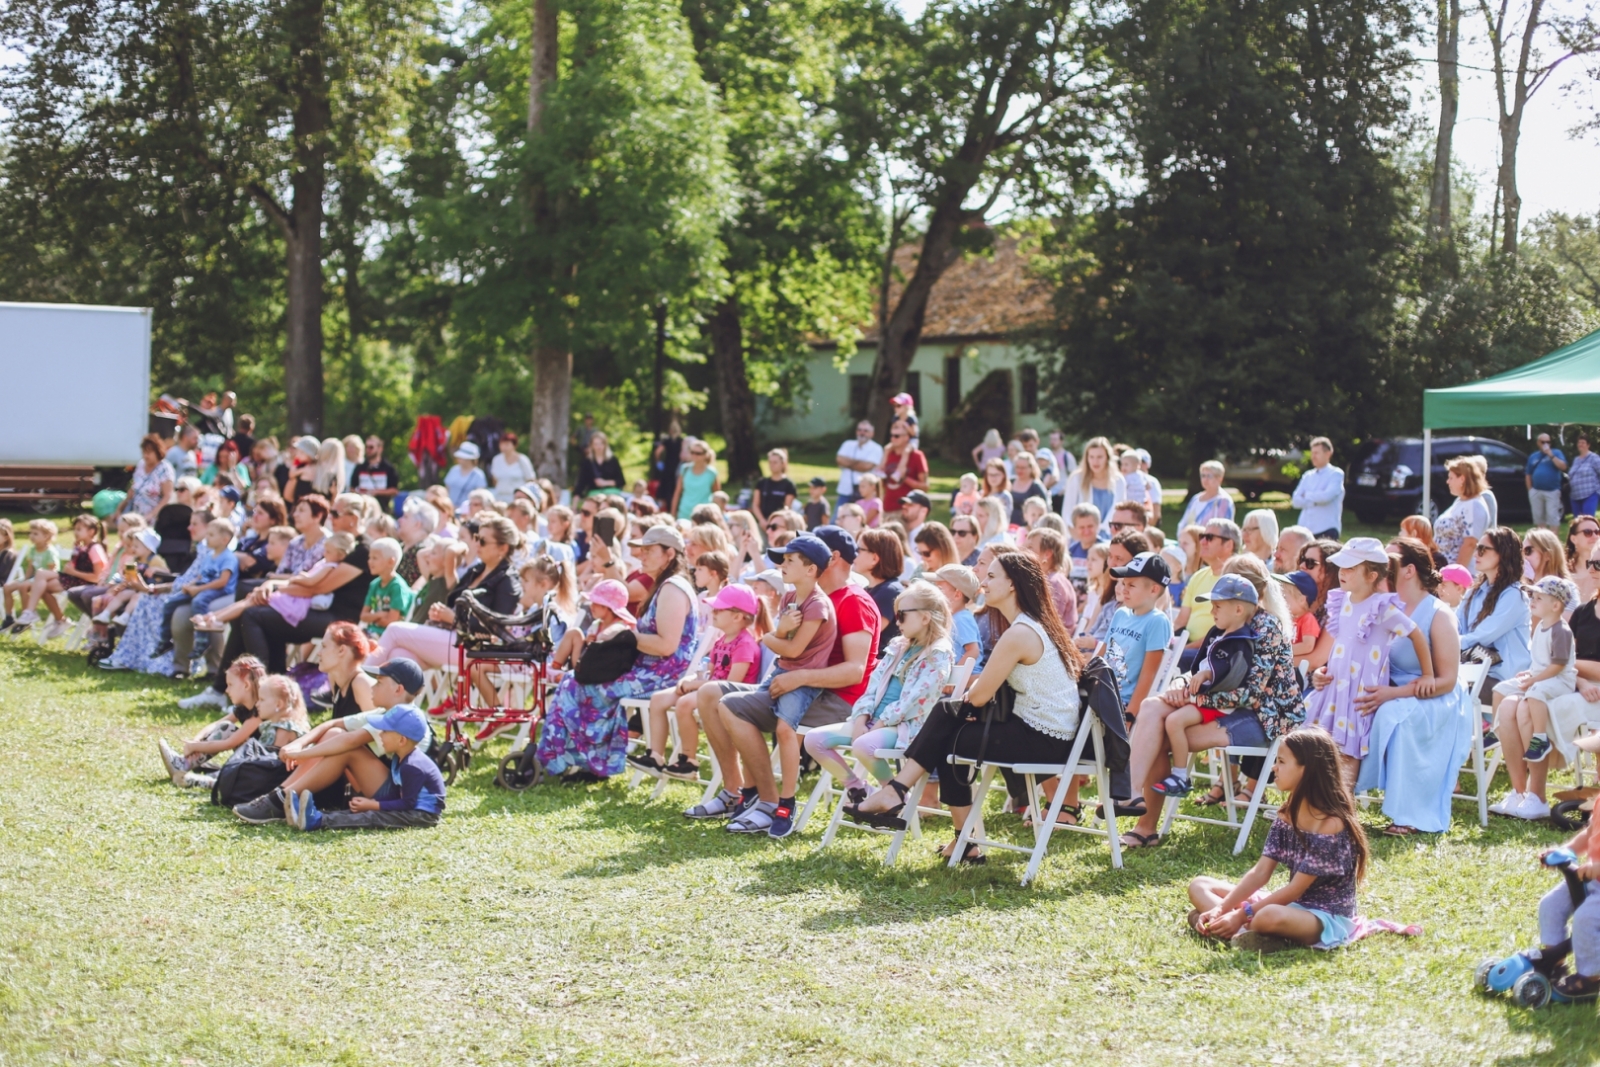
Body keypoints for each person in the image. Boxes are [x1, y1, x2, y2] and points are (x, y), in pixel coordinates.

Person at [844, 551, 1081, 863]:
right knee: (948, 721)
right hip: (1047, 735)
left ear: (1013, 585)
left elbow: (980, 696)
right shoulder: (1031, 625)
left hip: (1043, 740)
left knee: (947, 728)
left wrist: (965, 700)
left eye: (992, 576)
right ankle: (921, 810)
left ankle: (904, 797)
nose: (983, 582)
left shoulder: (1020, 632)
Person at [688, 526, 878, 829]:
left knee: (735, 707)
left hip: (837, 701)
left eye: (796, 556)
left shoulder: (854, 601)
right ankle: (736, 791)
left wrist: (799, 676)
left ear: (828, 560)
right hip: (797, 683)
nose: (785, 563)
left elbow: (855, 671)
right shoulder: (802, 597)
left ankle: (770, 803)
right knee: (711, 693)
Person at [1123, 561, 1301, 844]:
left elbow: (1250, 694)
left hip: (1262, 716)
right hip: (1219, 705)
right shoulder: (1223, 624)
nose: (1215, 594)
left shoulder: (1266, 626)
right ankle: (1131, 794)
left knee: (1164, 733)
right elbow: (1202, 668)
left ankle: (1146, 826)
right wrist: (1179, 686)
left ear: (1243, 597)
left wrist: (1194, 696)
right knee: (1152, 708)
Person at [1188, 728, 1380, 951]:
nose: (1274, 768)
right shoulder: (1287, 814)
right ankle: (1237, 931)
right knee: (1200, 885)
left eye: (1281, 761)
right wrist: (1221, 909)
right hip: (1291, 906)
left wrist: (1241, 914)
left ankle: (1237, 929)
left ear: (1306, 769)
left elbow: (1295, 889)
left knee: (1267, 916)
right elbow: (1260, 873)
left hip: (1323, 916)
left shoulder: (1331, 825)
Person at [538, 524, 699, 782]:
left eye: (648, 550)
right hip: (649, 670)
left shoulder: (673, 588)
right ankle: (585, 760)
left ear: (670, 554)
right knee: (573, 680)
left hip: (662, 675)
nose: (640, 555)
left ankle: (584, 761)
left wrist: (625, 636)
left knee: (581, 685)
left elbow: (667, 646)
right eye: (640, 550)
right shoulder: (665, 585)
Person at [1353, 538, 1471, 836]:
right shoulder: (1383, 606)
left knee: (1396, 717)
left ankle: (1409, 814)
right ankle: (1337, 799)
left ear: (1408, 570)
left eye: (1389, 559)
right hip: (1387, 691)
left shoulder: (1439, 614)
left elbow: (1446, 680)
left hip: (1434, 697)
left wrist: (1393, 694)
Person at [804, 580, 955, 804]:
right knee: (813, 739)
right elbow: (872, 687)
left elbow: (915, 701)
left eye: (902, 615)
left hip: (904, 726)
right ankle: (857, 788)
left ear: (925, 618)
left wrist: (879, 724)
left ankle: (891, 793)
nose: (897, 621)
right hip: (872, 721)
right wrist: (860, 719)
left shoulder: (938, 654)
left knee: (864, 746)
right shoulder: (898, 646)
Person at [1303, 538, 1434, 788]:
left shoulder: (1381, 608)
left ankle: (1342, 810)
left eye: (1351, 568)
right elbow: (1342, 645)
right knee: (1319, 744)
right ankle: (1318, 803)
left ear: (1372, 575)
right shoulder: (1342, 601)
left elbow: (1416, 634)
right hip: (1334, 686)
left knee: (1348, 750)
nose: (1343, 572)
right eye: (1342, 567)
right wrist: (1323, 670)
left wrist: (1427, 674)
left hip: (1359, 692)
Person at [1150, 574, 1269, 798]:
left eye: (1217, 606)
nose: (1212, 611)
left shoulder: (1241, 642)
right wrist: (1188, 681)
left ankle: (1180, 776)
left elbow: (1231, 677)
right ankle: (1178, 774)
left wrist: (1203, 679)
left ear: (1238, 610)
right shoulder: (1217, 633)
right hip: (1200, 696)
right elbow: (1199, 664)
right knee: (1164, 715)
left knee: (1174, 721)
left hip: (1217, 702)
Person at [629, 583, 765, 780]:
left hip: (727, 698)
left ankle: (689, 761)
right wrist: (692, 679)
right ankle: (655, 757)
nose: (713, 612)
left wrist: (695, 685)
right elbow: (710, 672)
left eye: (719, 609)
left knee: (684, 704)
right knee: (658, 699)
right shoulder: (721, 641)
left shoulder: (744, 645)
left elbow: (730, 684)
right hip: (709, 689)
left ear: (737, 616)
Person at [1489, 575, 1580, 820]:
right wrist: (1530, 673)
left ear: (1556, 605)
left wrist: (1534, 680)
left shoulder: (1561, 630)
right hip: (1541, 676)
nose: (1533, 600)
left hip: (1557, 681)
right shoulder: (1540, 626)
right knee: (1502, 690)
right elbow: (1542, 662)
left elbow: (1559, 666)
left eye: (1540, 597)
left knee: (1534, 694)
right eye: (1533, 596)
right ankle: (1497, 733)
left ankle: (1539, 738)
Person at [276, 704, 446, 832]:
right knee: (366, 813)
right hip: (412, 810)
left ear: (401, 740)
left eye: (385, 731)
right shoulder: (400, 758)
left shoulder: (412, 766)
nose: (379, 734)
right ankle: (311, 817)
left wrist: (373, 806)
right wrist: (373, 802)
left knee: (370, 817)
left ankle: (317, 820)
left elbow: (407, 803)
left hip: (422, 816)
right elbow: (397, 794)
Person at [156, 656, 271, 789]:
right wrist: (197, 740)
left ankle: (193, 774)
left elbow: (229, 743)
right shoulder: (244, 708)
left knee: (232, 768)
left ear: (246, 685)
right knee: (225, 728)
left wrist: (196, 747)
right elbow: (216, 725)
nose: (226, 690)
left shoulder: (259, 712)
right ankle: (184, 765)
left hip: (262, 766)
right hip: (252, 760)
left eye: (230, 685)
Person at [1459, 526, 1532, 691]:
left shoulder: (1514, 595)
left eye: (1483, 549)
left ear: (1503, 554)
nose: (1476, 554)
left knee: (1446, 688)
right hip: (1473, 671)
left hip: (1506, 680)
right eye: (1477, 548)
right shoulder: (1474, 592)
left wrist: (1448, 643)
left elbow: (1484, 635)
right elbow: (1456, 625)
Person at [1103, 551, 1175, 715]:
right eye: (1124, 583)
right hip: (1100, 689)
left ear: (1154, 589)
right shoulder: (1120, 613)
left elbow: (1148, 675)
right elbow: (1102, 655)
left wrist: (1131, 714)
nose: (1124, 590)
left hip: (1122, 702)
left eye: (1131, 585)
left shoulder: (1157, 621)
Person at [154, 519, 238, 658]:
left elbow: (222, 581)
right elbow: (201, 576)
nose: (207, 538)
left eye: (211, 535)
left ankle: (202, 641)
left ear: (225, 539)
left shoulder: (229, 558)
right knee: (170, 603)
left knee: (199, 602)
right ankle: (166, 640)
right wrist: (191, 585)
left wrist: (198, 590)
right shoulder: (209, 555)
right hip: (202, 587)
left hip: (219, 590)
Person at [1175, 518, 1240, 656]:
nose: (1202, 542)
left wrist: (1182, 650)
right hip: (1187, 645)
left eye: (1209, 537)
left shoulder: (1236, 580)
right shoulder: (1198, 576)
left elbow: (1222, 633)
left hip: (1215, 651)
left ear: (1228, 545)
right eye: (1202, 537)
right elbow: (1181, 620)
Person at [1434, 456, 1492, 567]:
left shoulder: (1475, 505)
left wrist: (1456, 575)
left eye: (1451, 478)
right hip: (1444, 569)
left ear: (1462, 479)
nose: (1447, 482)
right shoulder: (1460, 501)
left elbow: (1470, 544)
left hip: (1461, 575)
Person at [1060, 436, 1125, 533]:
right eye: (1091, 457)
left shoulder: (1118, 480)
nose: (1095, 462)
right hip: (1082, 537)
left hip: (1110, 537)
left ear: (1107, 458)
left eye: (1099, 457)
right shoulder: (1077, 478)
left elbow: (1120, 513)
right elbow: (1067, 513)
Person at [854, 528, 904, 651]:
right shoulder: (869, 589)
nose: (853, 554)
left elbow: (864, 635)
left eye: (858, 550)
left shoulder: (889, 592)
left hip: (880, 666)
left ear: (875, 559)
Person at [1289, 438, 1344, 538]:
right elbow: (1295, 501)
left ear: (1328, 454)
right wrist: (1315, 499)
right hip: (1305, 530)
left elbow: (1326, 497)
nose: (1313, 456)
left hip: (1326, 529)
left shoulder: (1336, 474)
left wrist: (1307, 495)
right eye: (1312, 453)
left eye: (1317, 453)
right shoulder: (1307, 475)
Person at [118, 434, 175, 521]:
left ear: (157, 452)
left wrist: (152, 515)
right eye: (144, 452)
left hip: (154, 518)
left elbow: (167, 496)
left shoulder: (165, 468)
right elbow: (132, 490)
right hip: (136, 514)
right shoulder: (141, 464)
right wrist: (119, 509)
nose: (146, 456)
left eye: (149, 453)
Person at [877, 421, 928, 517]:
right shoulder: (888, 454)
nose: (892, 438)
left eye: (896, 436)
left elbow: (925, 486)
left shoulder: (917, 456)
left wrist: (904, 478)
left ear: (907, 437)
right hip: (887, 509)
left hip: (906, 511)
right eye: (891, 435)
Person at [834, 420, 884, 512]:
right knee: (837, 520)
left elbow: (866, 466)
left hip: (864, 493)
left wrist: (848, 462)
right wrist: (859, 463)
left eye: (865, 431)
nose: (862, 433)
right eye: (859, 430)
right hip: (845, 490)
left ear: (872, 433)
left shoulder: (876, 448)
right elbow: (839, 460)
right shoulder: (848, 444)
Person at [1527, 431, 1569, 532]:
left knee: (1552, 516)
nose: (1546, 444)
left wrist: (1551, 455)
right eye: (1543, 442)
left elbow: (1563, 467)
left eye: (1548, 442)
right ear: (1538, 443)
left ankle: (1553, 542)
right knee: (1538, 518)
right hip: (1536, 491)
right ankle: (1542, 542)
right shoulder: (1533, 456)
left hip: (1552, 491)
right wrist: (1530, 490)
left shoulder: (1556, 453)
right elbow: (1528, 474)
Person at [1276, 569, 1322, 660]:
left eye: (1284, 596)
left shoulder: (1308, 619)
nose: (1280, 600)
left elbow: (1307, 646)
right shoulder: (1286, 619)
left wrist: (1279, 651)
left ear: (1301, 600)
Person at [1177, 460, 1234, 530]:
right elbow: (1183, 524)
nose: (1205, 479)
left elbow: (1223, 530)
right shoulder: (1196, 499)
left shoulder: (1224, 500)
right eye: (1203, 476)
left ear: (1220, 478)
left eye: (1209, 476)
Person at [671, 440, 720, 520]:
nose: (694, 455)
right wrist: (673, 513)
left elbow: (717, 496)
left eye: (698, 453)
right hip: (684, 513)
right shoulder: (685, 469)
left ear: (705, 455)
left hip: (703, 514)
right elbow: (677, 492)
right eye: (692, 452)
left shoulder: (712, 473)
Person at [753, 449, 797, 526]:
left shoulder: (789, 484)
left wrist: (775, 523)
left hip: (779, 524)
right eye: (770, 462)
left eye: (775, 462)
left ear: (783, 464)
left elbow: (787, 508)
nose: (772, 465)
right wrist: (762, 521)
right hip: (763, 523)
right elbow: (755, 505)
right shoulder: (762, 483)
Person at [443, 441, 487, 512]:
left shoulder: (478, 474)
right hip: (450, 509)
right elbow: (447, 489)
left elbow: (480, 495)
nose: (459, 459)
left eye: (462, 457)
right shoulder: (453, 470)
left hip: (468, 511)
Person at [1008, 453, 1049, 528]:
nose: (1020, 470)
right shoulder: (1010, 482)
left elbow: (1046, 507)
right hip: (1010, 526)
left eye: (1023, 468)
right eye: (1017, 467)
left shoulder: (1036, 486)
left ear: (1031, 468)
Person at [1570, 434, 1600, 519]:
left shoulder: (1594, 458)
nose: (1580, 444)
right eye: (1579, 442)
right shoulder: (1576, 459)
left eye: (1583, 442)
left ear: (1588, 445)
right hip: (1575, 496)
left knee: (1587, 520)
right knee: (1577, 523)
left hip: (1590, 494)